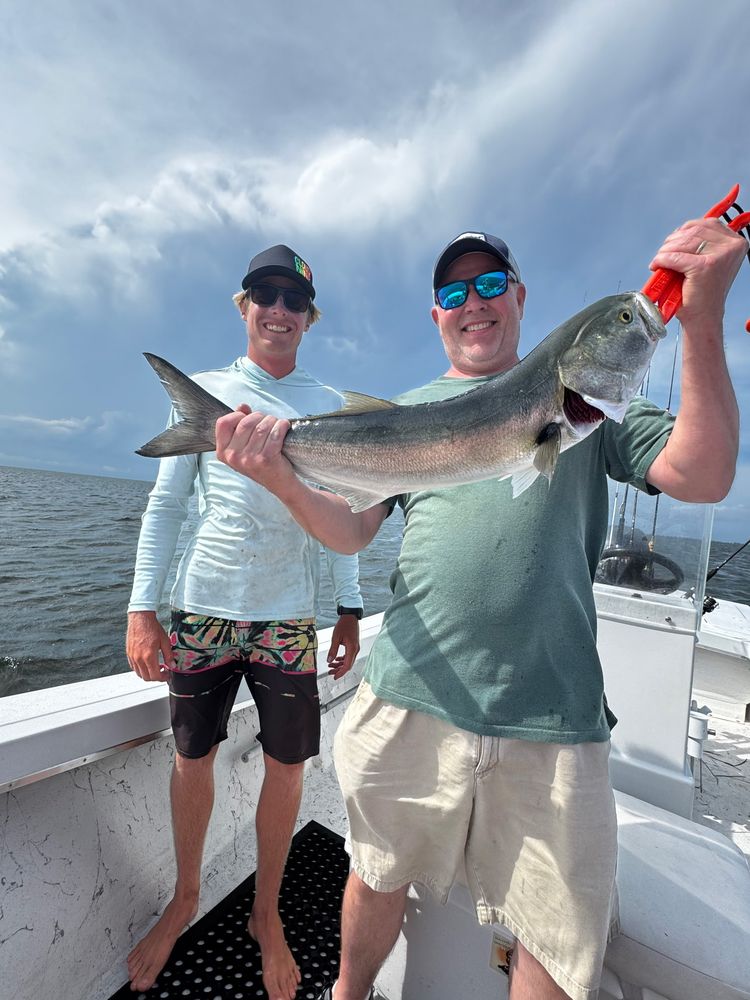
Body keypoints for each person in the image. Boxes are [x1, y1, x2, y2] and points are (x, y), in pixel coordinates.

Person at [214, 217, 746, 1000]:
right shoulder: (401, 411)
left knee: (557, 937)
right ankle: (348, 994)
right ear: (436, 314)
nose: (473, 302)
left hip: (551, 715)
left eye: (491, 284)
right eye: (454, 291)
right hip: (410, 695)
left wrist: (697, 323)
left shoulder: (590, 408)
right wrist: (284, 478)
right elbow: (352, 530)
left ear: (520, 299)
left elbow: (702, 475)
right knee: (377, 872)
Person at [125, 244, 363, 1000]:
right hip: (202, 608)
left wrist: (350, 606)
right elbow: (167, 504)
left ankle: (267, 913)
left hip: (288, 616)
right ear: (244, 305)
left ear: (310, 317)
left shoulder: (328, 402)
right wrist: (142, 607)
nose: (280, 309)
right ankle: (186, 898)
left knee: (288, 767)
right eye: (266, 293)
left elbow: (346, 510)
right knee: (192, 756)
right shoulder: (207, 393)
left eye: (294, 299)